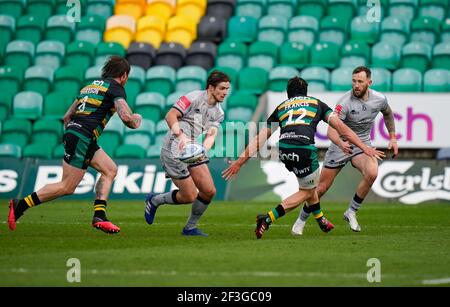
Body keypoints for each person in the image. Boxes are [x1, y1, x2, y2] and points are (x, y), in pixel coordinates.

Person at [222, 76, 385, 239]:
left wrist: (239, 162)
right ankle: (267, 218)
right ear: (306, 92)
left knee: (310, 185)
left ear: (288, 93)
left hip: (284, 149)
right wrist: (365, 147)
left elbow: (260, 138)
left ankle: (321, 219)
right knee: (307, 192)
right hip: (304, 149)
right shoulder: (316, 104)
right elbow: (342, 129)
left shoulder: (282, 107)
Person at [8, 56, 142, 234]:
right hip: (83, 136)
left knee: (110, 169)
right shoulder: (116, 87)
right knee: (67, 187)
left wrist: (73, 134)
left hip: (76, 133)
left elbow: (66, 116)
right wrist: (136, 120)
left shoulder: (90, 87)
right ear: (124, 75)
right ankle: (20, 205)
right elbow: (126, 117)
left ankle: (99, 215)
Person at [291, 66, 398, 235]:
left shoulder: (379, 99)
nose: (356, 85)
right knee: (321, 188)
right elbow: (331, 131)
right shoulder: (344, 102)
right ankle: (300, 221)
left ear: (369, 83)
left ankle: (351, 211)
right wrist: (341, 145)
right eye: (354, 81)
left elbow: (388, 114)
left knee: (372, 173)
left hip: (362, 144)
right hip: (340, 145)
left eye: (360, 82)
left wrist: (392, 137)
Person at [144, 70, 230, 237]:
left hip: (192, 150)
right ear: (211, 87)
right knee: (189, 196)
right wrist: (182, 137)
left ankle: (190, 228)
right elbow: (170, 116)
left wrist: (203, 149)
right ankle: (154, 200)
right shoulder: (193, 97)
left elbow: (211, 134)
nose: (225, 92)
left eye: (227, 89)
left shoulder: (219, 112)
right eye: (222, 88)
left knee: (209, 191)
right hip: (173, 150)